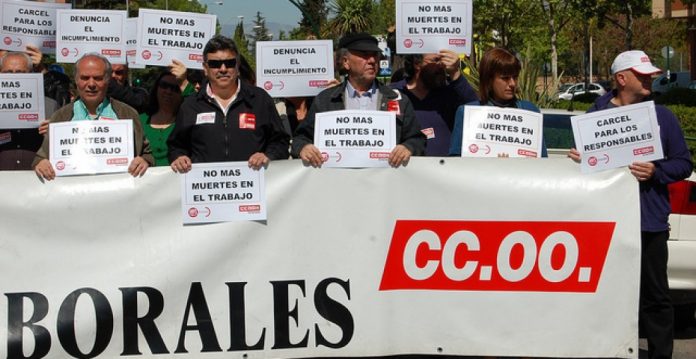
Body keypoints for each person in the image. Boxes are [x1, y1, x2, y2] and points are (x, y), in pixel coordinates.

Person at [569, 50, 693, 359]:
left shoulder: (662, 116)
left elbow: (683, 164)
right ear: (622, 78)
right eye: (643, 74)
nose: (651, 77)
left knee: (656, 297)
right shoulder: (594, 117)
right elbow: (585, 174)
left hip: (649, 222)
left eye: (650, 73)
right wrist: (583, 161)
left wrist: (656, 171)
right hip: (606, 224)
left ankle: (660, 355)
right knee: (606, 296)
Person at [292, 32, 426, 167]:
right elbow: (300, 138)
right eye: (364, 55)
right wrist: (305, 147)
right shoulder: (325, 100)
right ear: (346, 62)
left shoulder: (398, 100)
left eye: (375, 55)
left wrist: (408, 147)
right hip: (337, 182)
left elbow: (417, 139)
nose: (372, 61)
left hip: (385, 182)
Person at [167, 35, 289, 172]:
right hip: (206, 188)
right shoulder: (190, 105)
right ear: (205, 69)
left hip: (252, 186)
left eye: (229, 63)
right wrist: (179, 157)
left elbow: (280, 141)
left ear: (237, 67)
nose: (223, 69)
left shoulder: (260, 99)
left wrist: (268, 155)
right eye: (215, 64)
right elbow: (175, 146)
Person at [32, 53, 153, 180]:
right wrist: (41, 163)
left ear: (108, 81)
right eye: (84, 78)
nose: (91, 84)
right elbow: (41, 157)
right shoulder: (60, 116)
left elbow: (147, 153)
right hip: (74, 194)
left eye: (98, 78)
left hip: (118, 192)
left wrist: (145, 161)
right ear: (76, 80)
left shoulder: (128, 114)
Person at [449, 47, 547, 157]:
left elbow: (542, 160)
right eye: (505, 78)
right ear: (489, 80)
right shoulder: (467, 113)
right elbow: (455, 162)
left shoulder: (530, 111)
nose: (512, 83)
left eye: (515, 77)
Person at [390, 50, 478, 156]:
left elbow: (475, 111)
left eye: (444, 60)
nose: (441, 66)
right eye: (436, 60)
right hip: (406, 170)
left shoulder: (448, 93)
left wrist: (455, 72)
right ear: (417, 63)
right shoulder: (393, 94)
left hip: (445, 168)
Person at [0, 51, 59, 170]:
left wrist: (53, 133)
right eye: (8, 72)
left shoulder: (50, 105)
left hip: (36, 178)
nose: (14, 77)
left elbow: (61, 146)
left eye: (20, 72)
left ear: (32, 74)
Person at [140, 71, 184, 166]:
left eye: (175, 88)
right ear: (156, 88)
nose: (168, 91)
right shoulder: (140, 120)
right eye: (164, 85)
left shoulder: (187, 121)